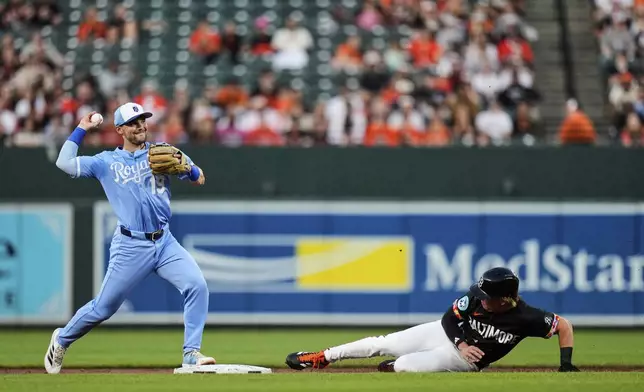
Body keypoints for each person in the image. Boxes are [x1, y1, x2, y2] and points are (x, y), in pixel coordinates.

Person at [44, 103, 214, 374]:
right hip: (131, 245)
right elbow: (63, 162)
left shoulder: (162, 152)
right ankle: (62, 339)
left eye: (143, 120)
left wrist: (190, 169)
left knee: (197, 285)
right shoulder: (106, 162)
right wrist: (80, 129)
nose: (141, 126)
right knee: (104, 308)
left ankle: (191, 354)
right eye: (133, 122)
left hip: (165, 241)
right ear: (120, 129)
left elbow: (199, 177)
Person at [285, 267, 580, 373]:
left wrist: (565, 364)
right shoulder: (476, 299)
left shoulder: (527, 317)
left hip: (467, 362)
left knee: (402, 365)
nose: (479, 297)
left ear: (505, 299)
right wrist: (462, 342)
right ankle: (321, 357)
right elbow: (449, 318)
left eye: (487, 295)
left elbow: (564, 326)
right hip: (451, 338)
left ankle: (397, 366)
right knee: (384, 343)